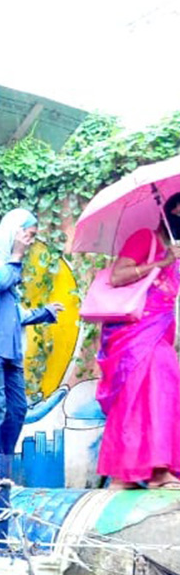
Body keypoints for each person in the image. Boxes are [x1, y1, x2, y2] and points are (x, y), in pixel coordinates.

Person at [0, 208, 63, 485]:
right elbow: (0, 281)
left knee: (18, 408)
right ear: (13, 229)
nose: (30, 241)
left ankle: (1, 471)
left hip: (10, 348)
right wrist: (17, 255)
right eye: (29, 235)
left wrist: (43, 312)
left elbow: (14, 313)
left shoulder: (9, 264)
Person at [95, 192, 180, 489]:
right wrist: (159, 263)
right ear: (166, 214)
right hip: (135, 336)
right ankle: (147, 471)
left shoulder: (174, 252)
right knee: (144, 394)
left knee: (155, 394)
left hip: (160, 335)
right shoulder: (144, 238)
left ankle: (142, 470)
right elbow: (118, 276)